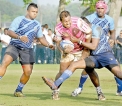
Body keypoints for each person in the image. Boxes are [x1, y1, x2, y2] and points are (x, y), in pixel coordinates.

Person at [42, 1, 122, 100]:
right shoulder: (62, 28)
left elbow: (92, 46)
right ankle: (55, 87)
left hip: (104, 55)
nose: (68, 24)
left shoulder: (94, 29)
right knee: (70, 68)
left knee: (117, 73)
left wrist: (80, 43)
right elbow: (61, 41)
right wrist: (62, 47)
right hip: (91, 57)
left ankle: (100, 91)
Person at [0, 3, 54, 97]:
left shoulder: (37, 24)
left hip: (27, 49)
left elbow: (41, 38)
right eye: (33, 11)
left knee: (28, 72)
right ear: (27, 11)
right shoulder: (19, 19)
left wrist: (49, 45)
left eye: (36, 12)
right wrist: (19, 37)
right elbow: (9, 32)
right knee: (5, 63)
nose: (35, 14)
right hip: (14, 46)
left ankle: (18, 90)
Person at [71, 0, 122, 97]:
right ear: (96, 8)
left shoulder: (110, 20)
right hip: (91, 47)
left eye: (102, 8)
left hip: (104, 48)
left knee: (117, 67)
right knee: (87, 68)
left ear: (105, 9)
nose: (100, 10)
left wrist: (112, 39)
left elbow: (112, 31)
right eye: (98, 8)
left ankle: (120, 90)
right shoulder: (89, 18)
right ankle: (80, 88)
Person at [42, 10, 92, 100]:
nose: (68, 23)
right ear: (61, 21)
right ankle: (55, 91)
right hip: (69, 51)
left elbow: (89, 33)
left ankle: (96, 90)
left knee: (89, 69)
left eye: (69, 21)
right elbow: (59, 42)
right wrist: (63, 51)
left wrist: (86, 50)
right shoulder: (58, 28)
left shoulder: (78, 21)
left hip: (82, 49)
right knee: (62, 72)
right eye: (65, 22)